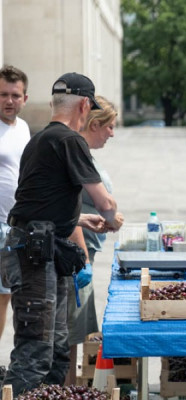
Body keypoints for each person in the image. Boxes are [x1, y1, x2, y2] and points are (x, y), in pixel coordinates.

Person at [1, 72, 119, 395]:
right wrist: (111, 218)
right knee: (36, 352)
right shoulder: (70, 140)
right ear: (84, 106)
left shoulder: (39, 139)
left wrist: (78, 220)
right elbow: (105, 202)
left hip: (40, 247)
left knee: (56, 351)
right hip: (34, 255)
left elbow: (38, 202)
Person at [64, 96, 124, 385]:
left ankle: (71, 385)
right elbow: (70, 210)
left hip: (84, 254)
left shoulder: (85, 155)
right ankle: (67, 387)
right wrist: (84, 259)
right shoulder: (77, 155)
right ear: (95, 124)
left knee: (77, 327)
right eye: (110, 126)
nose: (112, 133)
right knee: (71, 329)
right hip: (76, 256)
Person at [0, 65, 30, 347]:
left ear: (25, 98)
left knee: (6, 296)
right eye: (3, 94)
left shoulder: (23, 128)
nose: (9, 101)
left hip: (15, 226)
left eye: (15, 95)